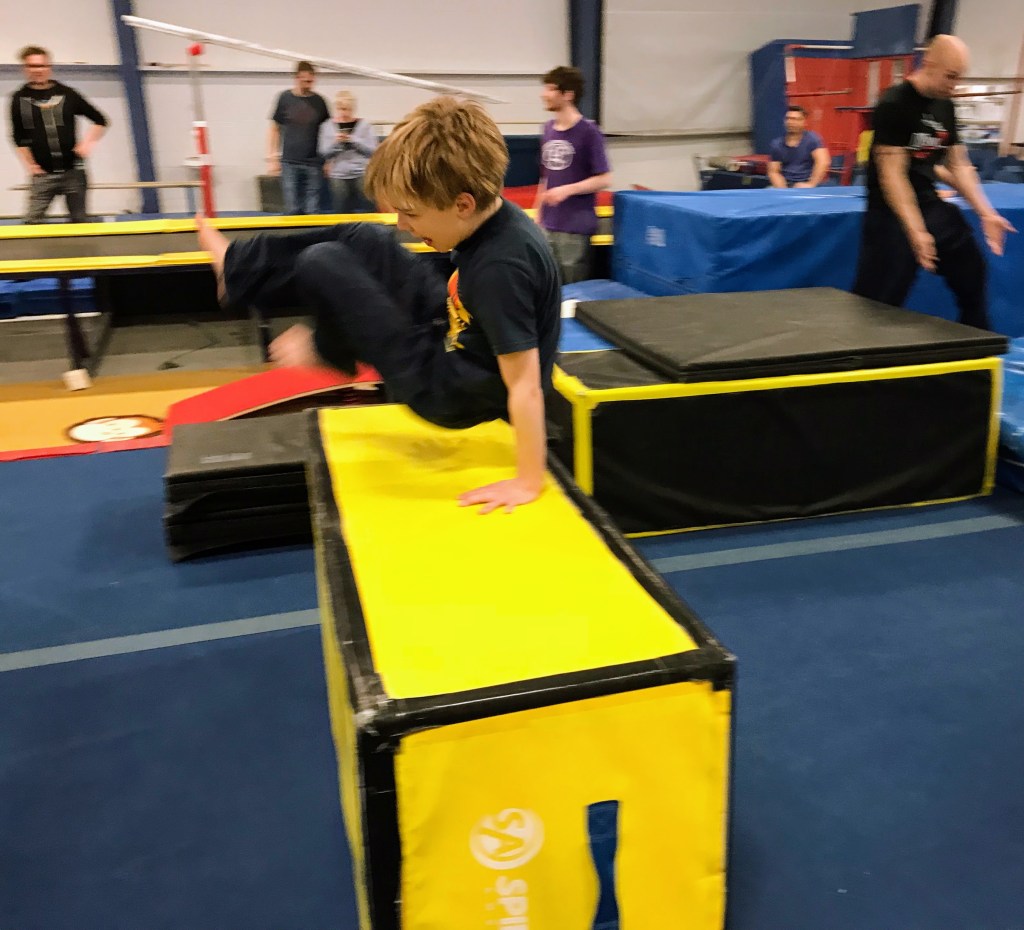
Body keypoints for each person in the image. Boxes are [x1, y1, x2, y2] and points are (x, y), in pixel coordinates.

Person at [197, 96, 560, 514]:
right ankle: (237, 267)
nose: (403, 225)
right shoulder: (488, 214)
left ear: (462, 204)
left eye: (411, 214)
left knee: (322, 263)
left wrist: (527, 481)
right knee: (364, 236)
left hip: (448, 390)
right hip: (452, 332)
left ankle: (329, 352)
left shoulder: (502, 268)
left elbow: (526, 385)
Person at [852, 35, 1016, 330]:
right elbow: (892, 174)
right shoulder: (895, 103)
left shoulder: (945, 106)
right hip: (889, 210)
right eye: (950, 76)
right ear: (928, 63)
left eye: (959, 77)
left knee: (972, 271)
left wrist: (986, 213)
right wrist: (917, 231)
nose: (955, 84)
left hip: (928, 202)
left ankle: (975, 342)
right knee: (879, 300)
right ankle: (863, 352)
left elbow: (959, 164)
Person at [9, 45, 108, 224]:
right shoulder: (19, 99)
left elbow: (100, 120)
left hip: (73, 171)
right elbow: (18, 137)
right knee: (32, 222)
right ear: (25, 69)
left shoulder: (67, 94)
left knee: (79, 221)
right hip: (43, 175)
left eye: (42, 65)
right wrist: (30, 165)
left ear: (49, 67)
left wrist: (87, 144)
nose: (38, 70)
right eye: (32, 66)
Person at [533, 66, 612, 284]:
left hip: (574, 229)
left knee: (572, 290)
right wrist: (538, 214)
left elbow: (605, 178)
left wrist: (567, 190)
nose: (544, 94)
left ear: (568, 95)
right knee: (548, 287)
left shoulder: (589, 132)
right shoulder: (548, 129)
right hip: (548, 226)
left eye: (550, 89)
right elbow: (545, 177)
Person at [266, 61, 330, 214]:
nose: (309, 85)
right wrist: (272, 157)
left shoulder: (319, 102)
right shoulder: (284, 98)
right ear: (297, 78)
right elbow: (274, 129)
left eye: (311, 81)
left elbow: (328, 132)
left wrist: (329, 160)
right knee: (292, 209)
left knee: (312, 209)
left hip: (314, 162)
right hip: (290, 162)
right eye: (305, 81)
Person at [320, 90, 378, 213]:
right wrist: (337, 143)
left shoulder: (364, 125)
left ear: (353, 109)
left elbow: (373, 150)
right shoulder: (327, 126)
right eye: (341, 109)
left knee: (369, 208)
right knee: (341, 210)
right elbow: (324, 152)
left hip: (361, 173)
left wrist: (353, 140)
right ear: (336, 108)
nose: (344, 113)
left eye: (347, 109)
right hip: (338, 175)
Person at [767, 105, 830, 188]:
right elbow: (773, 171)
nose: (790, 122)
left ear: (804, 122)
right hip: (786, 184)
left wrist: (811, 184)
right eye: (788, 118)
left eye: (795, 119)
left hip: (808, 183)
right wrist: (783, 190)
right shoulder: (777, 144)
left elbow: (823, 162)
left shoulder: (813, 139)